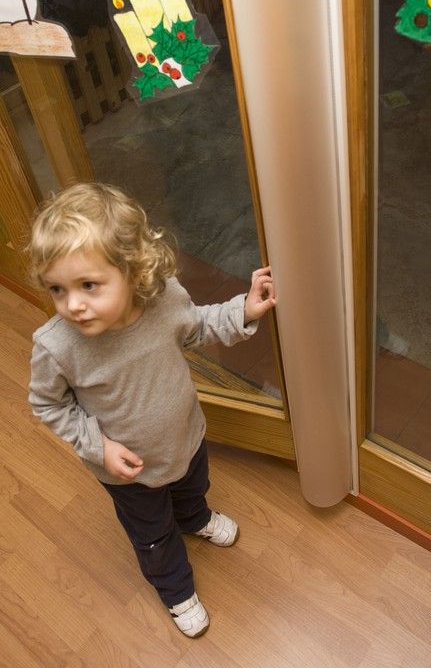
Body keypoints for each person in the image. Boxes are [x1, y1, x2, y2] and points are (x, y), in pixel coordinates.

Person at [27, 182, 276, 638]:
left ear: (132, 268)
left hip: (186, 435)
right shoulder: (57, 346)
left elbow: (198, 327)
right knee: (153, 533)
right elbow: (47, 403)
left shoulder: (164, 299)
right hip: (127, 471)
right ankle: (175, 587)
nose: (73, 305)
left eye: (88, 285)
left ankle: (195, 518)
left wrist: (245, 309)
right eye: (58, 289)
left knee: (193, 487)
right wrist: (98, 447)